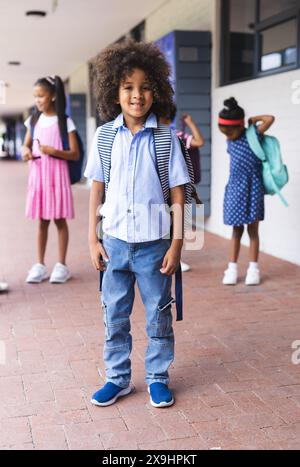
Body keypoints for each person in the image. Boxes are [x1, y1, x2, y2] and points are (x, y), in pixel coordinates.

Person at [85, 40, 190, 408]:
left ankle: (158, 378)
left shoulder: (165, 139)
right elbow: (96, 190)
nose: (137, 95)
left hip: (154, 246)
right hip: (113, 244)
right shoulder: (104, 138)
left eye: (145, 87)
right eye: (128, 87)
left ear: (156, 91)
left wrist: (177, 245)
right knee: (114, 315)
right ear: (114, 92)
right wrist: (92, 239)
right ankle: (118, 378)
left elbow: (180, 195)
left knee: (159, 316)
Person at [21, 76, 79, 284]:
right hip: (39, 176)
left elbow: (75, 153)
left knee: (59, 220)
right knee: (42, 221)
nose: (37, 100)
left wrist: (53, 151)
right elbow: (25, 145)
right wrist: (26, 151)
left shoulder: (65, 121)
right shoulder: (33, 120)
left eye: (41, 96)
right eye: (35, 96)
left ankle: (61, 265)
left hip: (57, 176)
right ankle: (40, 265)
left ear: (53, 96)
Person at [218, 97, 274, 286]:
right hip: (235, 189)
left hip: (253, 189)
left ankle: (253, 269)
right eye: (225, 132)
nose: (228, 135)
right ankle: (232, 268)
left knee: (253, 230)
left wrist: (253, 120)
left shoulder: (253, 135)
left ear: (240, 126)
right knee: (236, 230)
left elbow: (269, 118)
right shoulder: (230, 140)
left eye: (230, 131)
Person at [161, 105, 205, 272]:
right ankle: (170, 254)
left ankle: (175, 255)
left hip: (177, 186)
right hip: (168, 186)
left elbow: (199, 142)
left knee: (174, 221)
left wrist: (190, 123)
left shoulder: (176, 135)